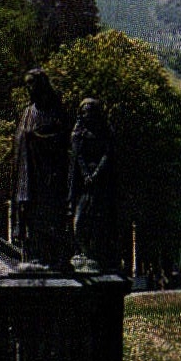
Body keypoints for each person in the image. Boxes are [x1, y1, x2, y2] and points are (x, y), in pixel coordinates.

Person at [10, 69, 70, 269]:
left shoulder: (56, 113)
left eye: (32, 83)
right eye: (27, 84)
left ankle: (52, 257)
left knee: (49, 217)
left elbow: (62, 141)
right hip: (29, 177)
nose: (29, 88)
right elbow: (20, 141)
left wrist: (38, 139)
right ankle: (35, 256)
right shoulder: (28, 112)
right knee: (32, 218)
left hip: (48, 177)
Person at [68, 98, 117, 273]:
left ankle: (94, 255)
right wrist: (86, 175)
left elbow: (107, 154)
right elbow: (77, 155)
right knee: (79, 220)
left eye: (91, 111)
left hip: (101, 183)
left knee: (99, 220)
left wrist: (96, 174)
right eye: (84, 112)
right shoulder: (77, 133)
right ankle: (83, 251)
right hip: (81, 184)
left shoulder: (106, 133)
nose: (87, 115)